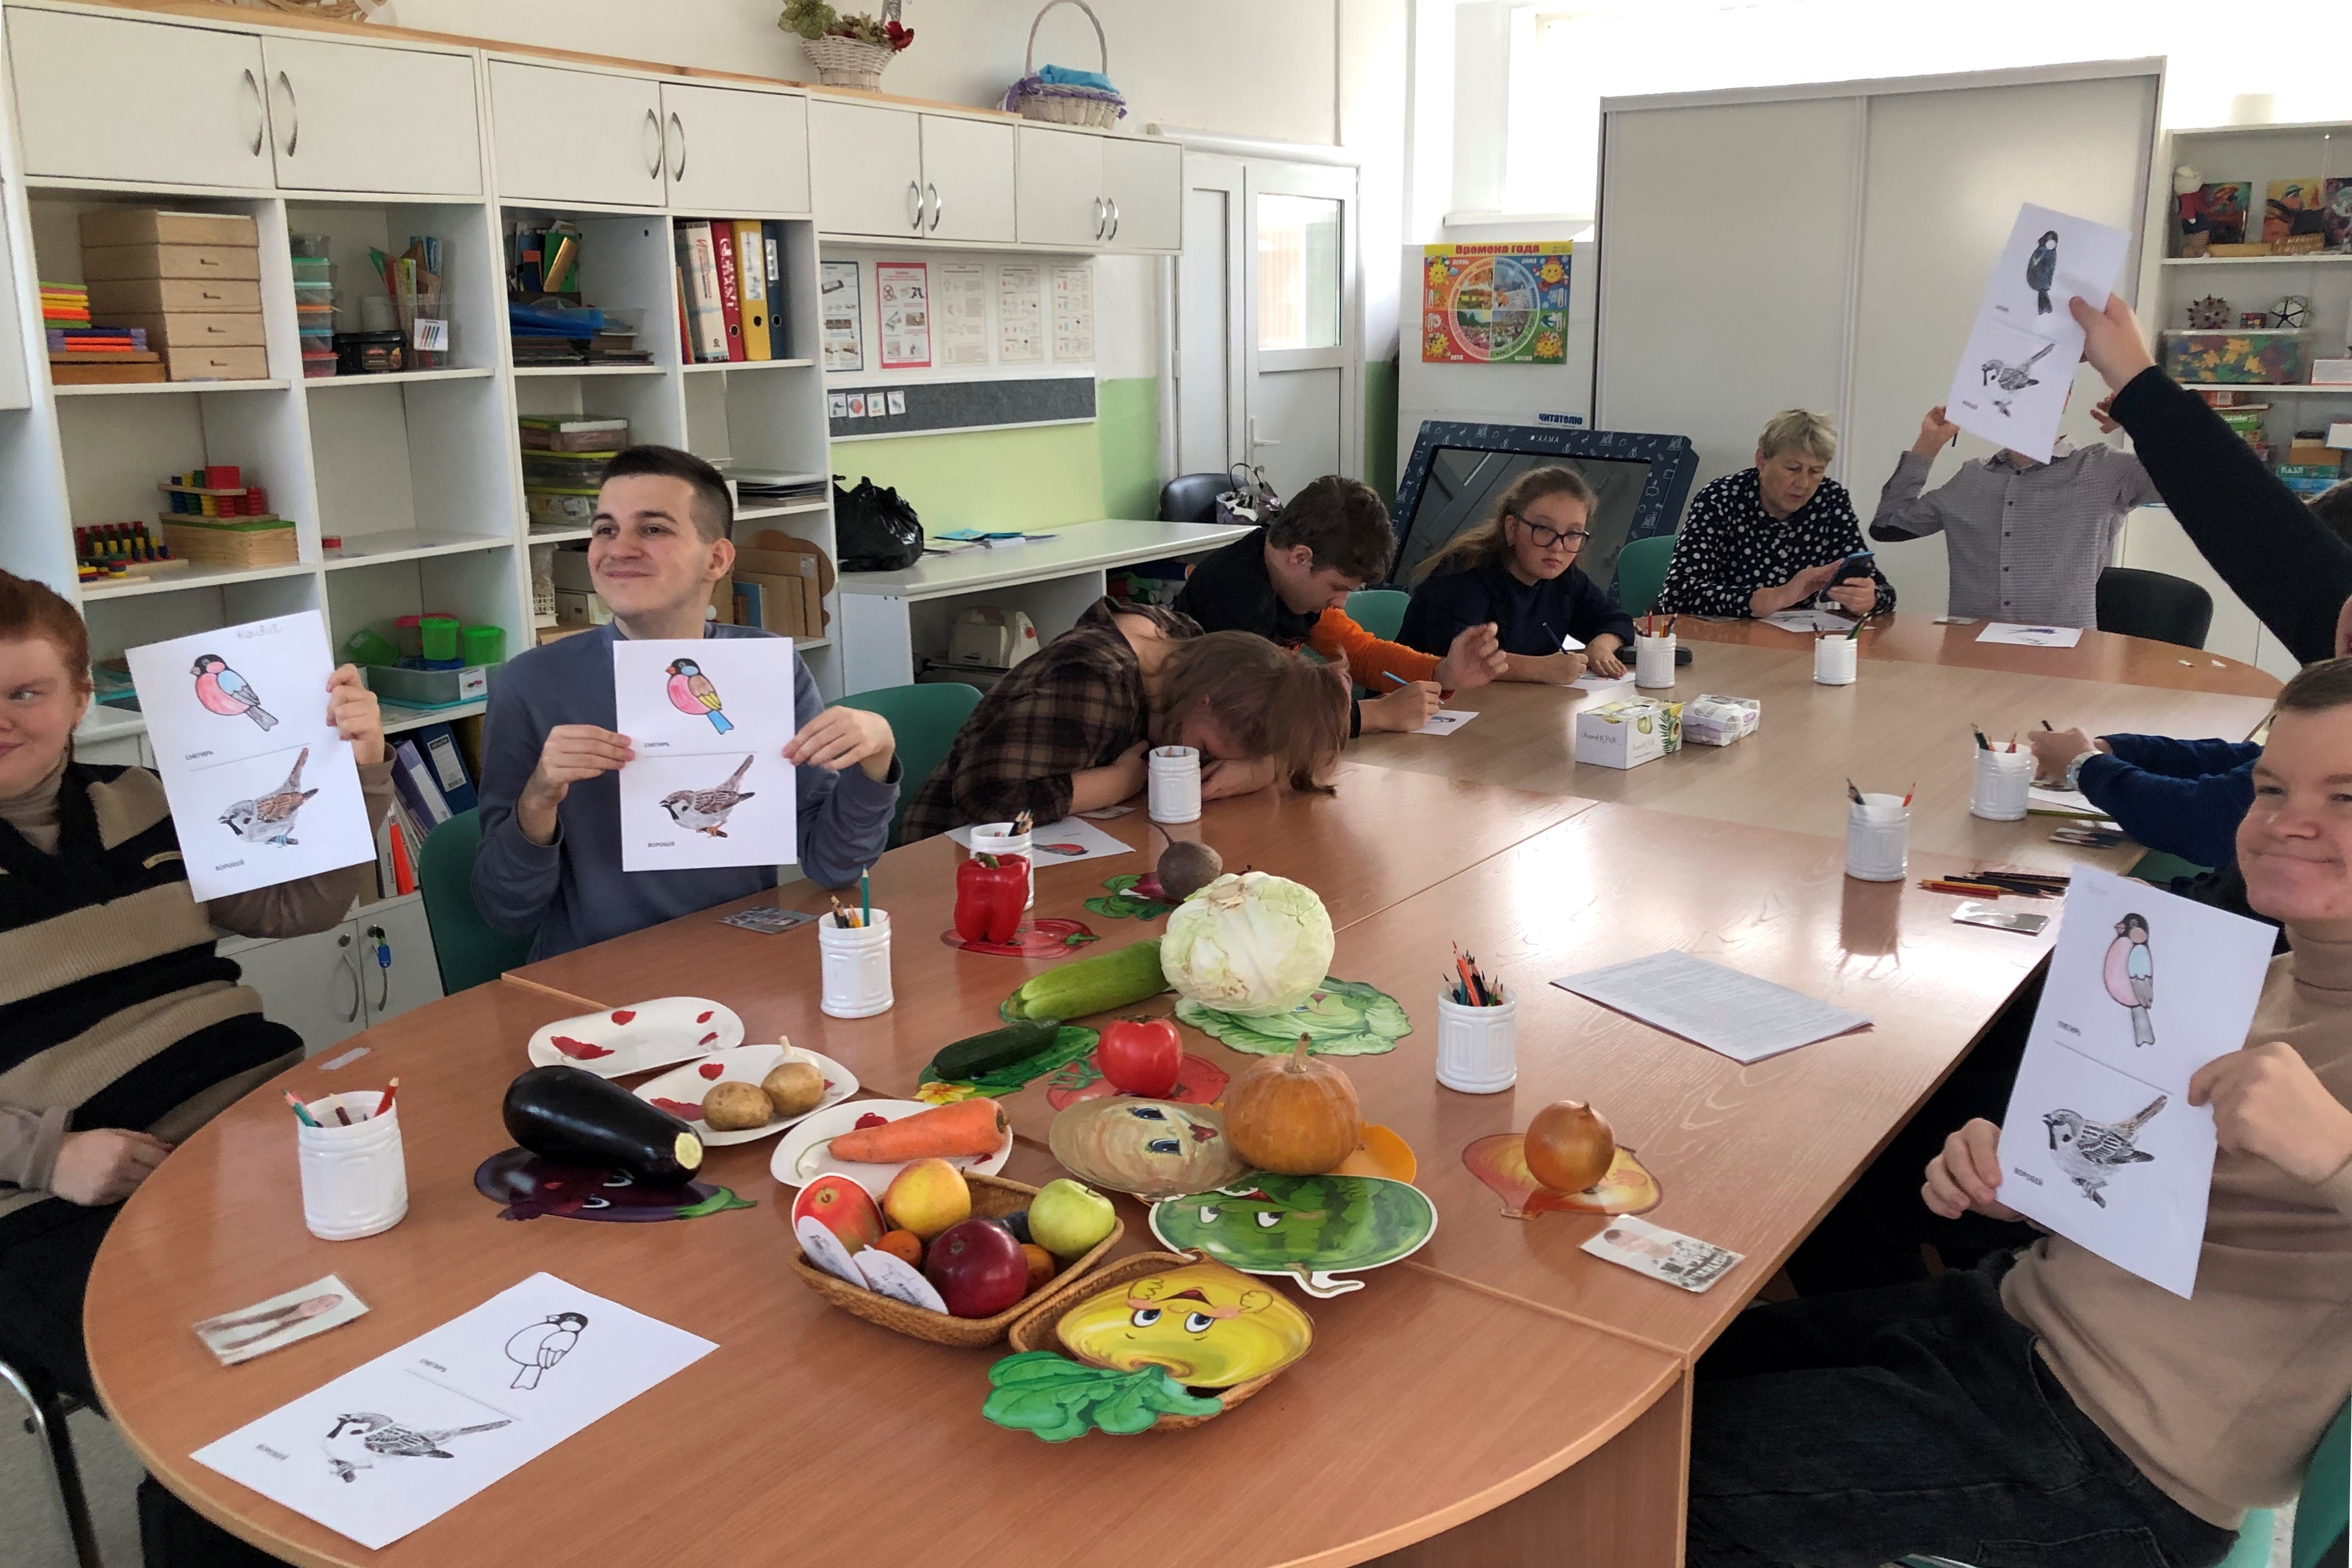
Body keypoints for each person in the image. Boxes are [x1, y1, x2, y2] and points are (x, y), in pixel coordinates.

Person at [1688, 656, 2352, 1567]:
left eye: (2344, 797)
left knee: (1637, 1485)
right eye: (2269, 787)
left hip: (2116, 1457)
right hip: (2008, 1322)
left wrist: (2335, 1152)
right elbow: (2162, 1193)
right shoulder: (2261, 980)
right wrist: (2035, 1180)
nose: (2284, 821)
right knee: (1649, 1385)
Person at [0, 569, 391, 1566]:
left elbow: (294, 906)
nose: (1, 718)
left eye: (25, 691)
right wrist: (48, 1155)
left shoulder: (145, 799)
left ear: (80, 697)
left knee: (437, 1287)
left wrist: (355, 774)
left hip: (252, 1132)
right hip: (60, 1202)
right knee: (235, 1419)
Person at [475, 446, 897, 960]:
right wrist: (538, 801)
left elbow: (835, 865)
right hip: (598, 971)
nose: (619, 548)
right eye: (605, 529)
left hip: (738, 958)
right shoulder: (530, 684)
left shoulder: (766, 668)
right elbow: (506, 910)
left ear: (716, 559)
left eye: (652, 529)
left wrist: (876, 759)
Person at [897, 600, 1348, 844]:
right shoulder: (1095, 682)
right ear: (1205, 698)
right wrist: (1118, 782)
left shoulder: (1184, 650)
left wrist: (1256, 768)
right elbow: (984, 799)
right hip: (947, 853)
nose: (1199, 762)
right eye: (1206, 750)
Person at [1171, 473, 1505, 734]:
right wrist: (1375, 714)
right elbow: (1255, 713)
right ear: (1300, 557)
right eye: (1337, 588)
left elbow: (1361, 653)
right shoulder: (1232, 592)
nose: (1341, 604)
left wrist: (1444, 672)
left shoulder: (1294, 587)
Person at [1869, 400, 2158, 626]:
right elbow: (1888, 525)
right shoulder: (1972, 477)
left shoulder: (2105, 469)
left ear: (2064, 396)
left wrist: (2145, 421)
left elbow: (2186, 480)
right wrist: (1928, 444)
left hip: (2067, 659)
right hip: (1971, 656)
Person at [1397, 465, 1639, 682]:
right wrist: (1540, 669)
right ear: (1512, 528)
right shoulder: (1464, 574)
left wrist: (1600, 647)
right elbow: (1457, 658)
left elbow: (1617, 620)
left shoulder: (1565, 579)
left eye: (1573, 534)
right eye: (1544, 529)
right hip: (1421, 702)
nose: (1558, 546)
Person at [1655, 408, 1896, 621]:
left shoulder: (1830, 500)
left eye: (1815, 471)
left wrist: (1868, 599)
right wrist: (1770, 598)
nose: (1803, 483)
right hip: (1718, 639)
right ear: (1761, 460)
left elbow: (1882, 588)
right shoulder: (1720, 498)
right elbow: (1677, 593)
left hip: (1792, 641)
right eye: (1793, 469)